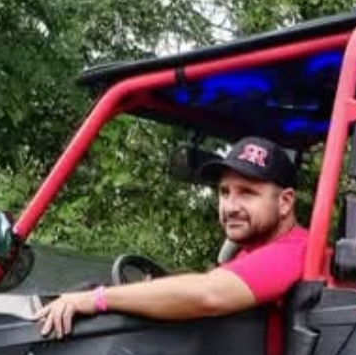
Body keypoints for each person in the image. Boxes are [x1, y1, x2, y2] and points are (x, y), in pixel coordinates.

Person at [36, 136, 307, 340]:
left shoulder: (294, 251)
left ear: (285, 202)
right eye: (224, 192)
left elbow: (208, 294)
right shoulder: (252, 251)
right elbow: (209, 283)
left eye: (247, 193)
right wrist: (154, 288)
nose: (230, 206)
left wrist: (96, 299)